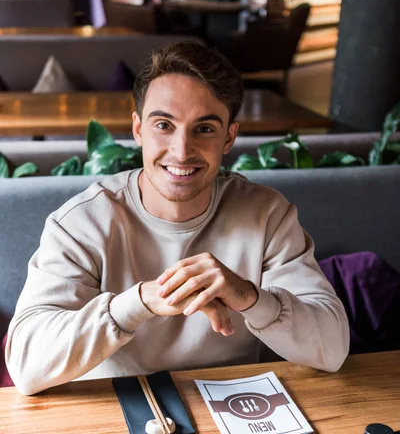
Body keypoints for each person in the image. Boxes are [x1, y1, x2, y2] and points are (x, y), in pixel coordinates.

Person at [6, 41, 349, 395]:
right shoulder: (82, 223)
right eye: (164, 125)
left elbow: (333, 350)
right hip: (116, 413)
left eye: (204, 129)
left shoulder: (267, 214)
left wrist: (249, 297)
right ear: (138, 129)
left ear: (229, 136)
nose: (182, 151)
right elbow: (26, 366)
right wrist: (139, 303)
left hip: (235, 404)